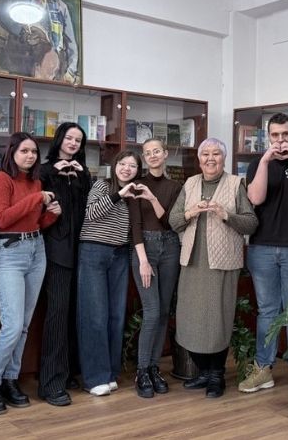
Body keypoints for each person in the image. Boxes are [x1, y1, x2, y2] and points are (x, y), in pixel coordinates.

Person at [169, 138, 258, 399]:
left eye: (216, 154)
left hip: (222, 263)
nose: (210, 159)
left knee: (218, 319)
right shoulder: (190, 183)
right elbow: (174, 220)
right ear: (199, 160)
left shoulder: (235, 184)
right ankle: (204, 372)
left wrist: (225, 214)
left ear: (224, 158)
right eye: (205, 154)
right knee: (190, 319)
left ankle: (216, 374)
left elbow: (251, 223)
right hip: (192, 261)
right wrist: (191, 213)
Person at [0, 132, 60, 415]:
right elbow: (3, 219)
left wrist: (51, 214)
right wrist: (37, 198)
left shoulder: (35, 181)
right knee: (12, 325)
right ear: (12, 152)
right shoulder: (1, 179)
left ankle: (10, 380)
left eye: (34, 152)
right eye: (24, 151)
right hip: (9, 252)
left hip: (36, 249)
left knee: (24, 325)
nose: (30, 156)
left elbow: (33, 221)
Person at [238, 113, 288, 401]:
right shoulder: (258, 163)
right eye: (275, 135)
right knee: (267, 311)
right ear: (268, 137)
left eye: (286, 135)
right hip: (262, 248)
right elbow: (255, 199)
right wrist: (266, 162)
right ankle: (263, 368)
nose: (281, 141)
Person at [78, 150, 141, 396]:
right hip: (94, 252)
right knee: (95, 315)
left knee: (116, 316)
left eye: (133, 165)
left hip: (120, 255)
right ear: (115, 166)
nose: (127, 168)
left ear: (138, 171)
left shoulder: (135, 193)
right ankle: (95, 377)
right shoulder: (102, 186)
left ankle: (111, 373)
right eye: (123, 164)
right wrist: (118, 195)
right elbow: (91, 213)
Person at [37, 123, 91, 407]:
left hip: (82, 251)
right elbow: (39, 209)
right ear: (59, 140)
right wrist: (57, 174)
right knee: (57, 315)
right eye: (69, 138)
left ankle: (68, 372)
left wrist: (80, 177)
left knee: (74, 314)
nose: (73, 143)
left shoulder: (84, 173)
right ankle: (50, 383)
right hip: (56, 251)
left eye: (78, 140)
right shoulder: (44, 171)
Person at [127, 138, 183, 398]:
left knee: (162, 312)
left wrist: (151, 198)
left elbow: (171, 222)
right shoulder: (136, 185)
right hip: (145, 249)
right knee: (151, 311)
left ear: (165, 154)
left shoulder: (175, 186)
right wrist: (143, 261)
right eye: (147, 153)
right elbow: (136, 226)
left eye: (156, 151)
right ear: (144, 157)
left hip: (170, 247)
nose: (152, 156)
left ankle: (153, 368)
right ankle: (141, 371)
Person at [0, 0, 79, 83]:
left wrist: (71, 70)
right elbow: (3, 15)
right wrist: (22, 32)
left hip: (49, 65)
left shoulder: (60, 6)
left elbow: (71, 42)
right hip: (19, 60)